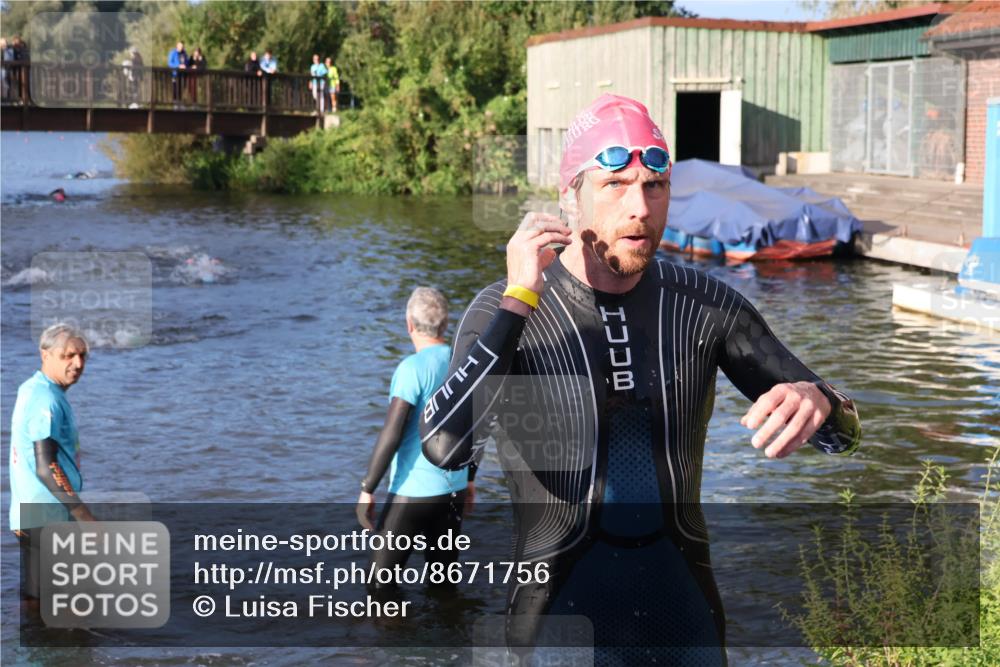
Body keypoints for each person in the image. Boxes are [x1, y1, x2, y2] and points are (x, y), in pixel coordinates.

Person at [421, 94, 862, 664]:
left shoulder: (705, 305)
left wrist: (819, 399)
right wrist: (518, 300)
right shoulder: (508, 311)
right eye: (616, 185)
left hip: (685, 621)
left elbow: (847, 436)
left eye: (655, 186)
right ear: (571, 197)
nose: (640, 207)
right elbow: (445, 449)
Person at [357, 287, 475, 585]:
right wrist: (470, 478)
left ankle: (394, 631)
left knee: (379, 586)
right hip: (453, 491)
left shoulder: (411, 369)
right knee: (444, 582)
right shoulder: (465, 362)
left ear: (409, 324)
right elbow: (477, 423)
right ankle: (446, 631)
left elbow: (392, 431)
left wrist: (367, 488)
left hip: (413, 492)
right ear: (445, 324)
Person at [10, 324, 96, 598]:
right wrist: (84, 517)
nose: (78, 363)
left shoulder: (33, 387)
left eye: (82, 355)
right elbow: (47, 467)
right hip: (49, 517)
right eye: (68, 356)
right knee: (73, 604)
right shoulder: (46, 400)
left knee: (37, 598)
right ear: (45, 355)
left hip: (29, 515)